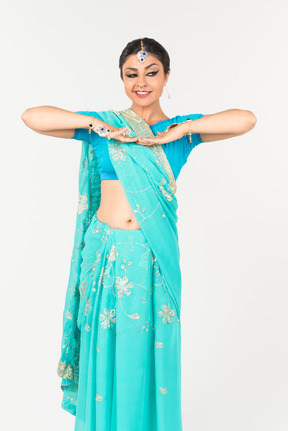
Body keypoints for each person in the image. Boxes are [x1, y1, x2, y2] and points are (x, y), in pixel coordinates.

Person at [21, 37, 257, 431]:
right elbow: (31, 116)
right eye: (132, 74)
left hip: (152, 259)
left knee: (149, 353)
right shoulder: (104, 127)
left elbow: (246, 119)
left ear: (166, 76)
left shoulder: (179, 132)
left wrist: (182, 129)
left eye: (151, 73)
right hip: (106, 256)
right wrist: (92, 123)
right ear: (122, 79)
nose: (141, 82)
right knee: (104, 351)